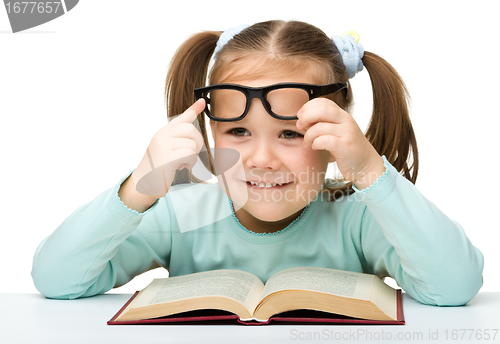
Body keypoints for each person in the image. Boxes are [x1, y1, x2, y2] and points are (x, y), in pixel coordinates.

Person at [31, 20, 483, 306]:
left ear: (335, 137)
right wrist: (140, 187)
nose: (261, 159)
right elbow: (57, 279)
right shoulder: (182, 212)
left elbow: (454, 285)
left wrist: (368, 170)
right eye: (238, 132)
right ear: (209, 131)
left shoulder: (358, 218)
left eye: (290, 133)